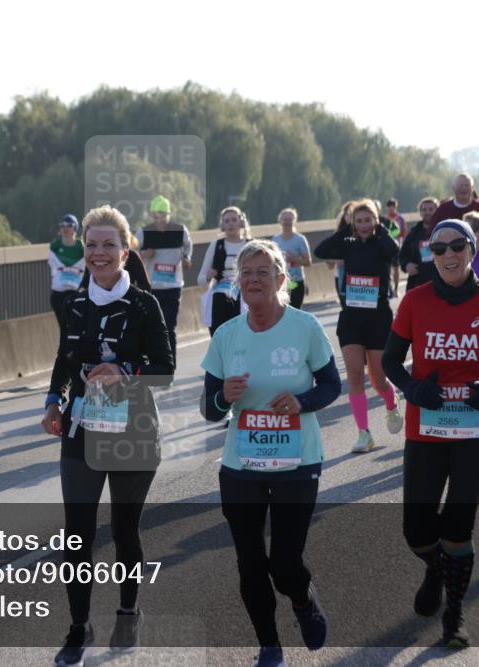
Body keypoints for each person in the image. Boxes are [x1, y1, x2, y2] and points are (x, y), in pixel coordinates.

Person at [382, 218, 479, 649]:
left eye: (457, 246)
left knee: (458, 527)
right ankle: (436, 568)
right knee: (417, 530)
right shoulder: (415, 300)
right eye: (438, 248)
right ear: (431, 255)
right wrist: (412, 388)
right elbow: (390, 361)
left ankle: (455, 614)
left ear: (472, 249)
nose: (448, 255)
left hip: (478, 427)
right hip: (427, 426)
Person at [42, 205, 174, 665]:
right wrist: (53, 400)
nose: (99, 253)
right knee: (77, 535)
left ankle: (128, 611)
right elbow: (64, 362)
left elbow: (165, 369)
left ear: (125, 250)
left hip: (133, 431)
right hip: (82, 429)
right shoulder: (75, 304)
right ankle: (79, 628)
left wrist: (125, 371)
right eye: (92, 245)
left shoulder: (144, 305)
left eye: (108, 245)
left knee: (123, 530)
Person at [201, 239, 339, 667]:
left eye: (263, 272)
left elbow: (331, 385)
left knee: (284, 562)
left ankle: (302, 599)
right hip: (241, 464)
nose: (253, 279)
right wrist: (223, 397)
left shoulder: (304, 328)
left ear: (281, 280)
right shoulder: (227, 335)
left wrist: (302, 401)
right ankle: (269, 646)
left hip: (297, 460)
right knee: (250, 562)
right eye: (246, 273)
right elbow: (209, 408)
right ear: (237, 282)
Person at [314, 199, 403, 453]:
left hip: (378, 318)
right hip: (351, 318)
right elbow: (321, 250)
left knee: (378, 379)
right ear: (352, 223)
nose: (363, 225)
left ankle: (391, 403)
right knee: (354, 375)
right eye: (358, 220)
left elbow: (394, 252)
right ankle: (364, 433)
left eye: (368, 220)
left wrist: (382, 230)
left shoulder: (382, 243)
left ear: (375, 221)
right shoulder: (348, 243)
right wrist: (345, 229)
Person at [137, 195, 192, 362]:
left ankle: (169, 364)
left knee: (169, 327)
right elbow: (130, 253)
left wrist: (187, 258)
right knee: (151, 327)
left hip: (173, 286)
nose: (158, 219)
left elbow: (188, 247)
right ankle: (153, 362)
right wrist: (143, 254)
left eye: (161, 214)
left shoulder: (180, 230)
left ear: (168, 214)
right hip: (151, 287)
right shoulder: (144, 232)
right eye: (155, 215)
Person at [199, 206, 251, 335]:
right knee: (219, 298)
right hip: (220, 294)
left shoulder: (251, 245)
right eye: (226, 221)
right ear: (222, 225)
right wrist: (208, 277)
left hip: (246, 291)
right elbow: (200, 279)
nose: (230, 224)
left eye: (234, 220)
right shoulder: (216, 245)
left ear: (241, 222)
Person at [431, 174, 479, 245]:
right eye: (461, 185)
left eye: (467, 185)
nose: (464, 188)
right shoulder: (443, 209)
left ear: (472, 188)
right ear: (453, 188)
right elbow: (430, 236)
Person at [48, 214, 85, 328]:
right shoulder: (55, 246)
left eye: (69, 225)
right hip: (58, 293)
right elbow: (53, 265)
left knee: (76, 326)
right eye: (62, 225)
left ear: (75, 228)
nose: (65, 228)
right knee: (63, 327)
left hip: (76, 292)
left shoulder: (82, 247)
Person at [272, 207, 312, 310]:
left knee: (295, 311)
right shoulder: (275, 239)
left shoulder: (300, 239)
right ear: (280, 221)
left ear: (294, 221)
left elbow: (308, 262)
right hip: (281, 283)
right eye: (285, 219)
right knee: (281, 312)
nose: (287, 222)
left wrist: (294, 259)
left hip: (295, 281)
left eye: (290, 219)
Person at [399, 197, 441, 291]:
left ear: (437, 211)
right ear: (420, 212)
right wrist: (406, 265)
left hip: (441, 282)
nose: (427, 212)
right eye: (424, 210)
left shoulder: (444, 230)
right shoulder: (414, 232)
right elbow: (402, 255)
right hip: (418, 282)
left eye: (431, 209)